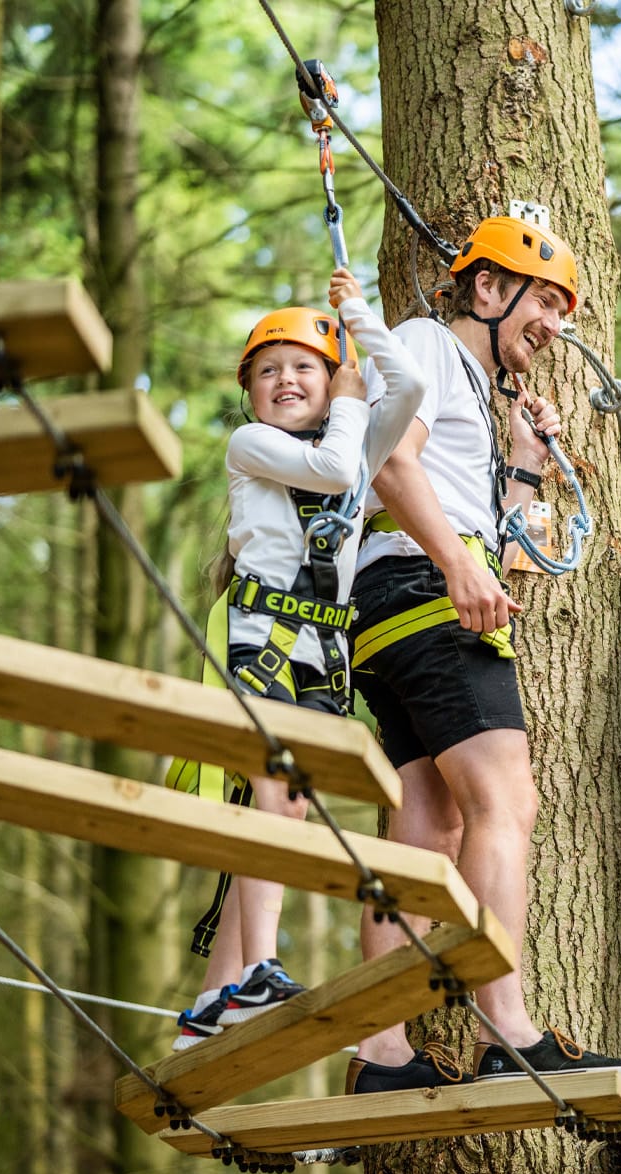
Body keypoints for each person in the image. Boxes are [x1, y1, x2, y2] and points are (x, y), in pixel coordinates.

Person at [343, 214, 621, 1092]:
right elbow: (392, 466)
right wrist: (454, 563)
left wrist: (520, 461)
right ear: (487, 288)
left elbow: (502, 550)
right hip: (422, 592)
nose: (553, 325)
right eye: (542, 300)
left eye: (561, 308)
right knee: (507, 800)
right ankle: (504, 1028)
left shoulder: (478, 386)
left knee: (427, 821)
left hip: (401, 599)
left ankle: (383, 1049)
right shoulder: (428, 345)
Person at [172, 267, 424, 1052]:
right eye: (268, 372)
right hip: (264, 635)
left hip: (324, 646)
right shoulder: (253, 446)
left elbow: (409, 387)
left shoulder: (352, 426)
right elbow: (337, 471)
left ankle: (228, 989)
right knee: (276, 789)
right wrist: (348, 398)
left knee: (285, 806)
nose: (285, 381)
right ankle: (260, 969)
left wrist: (359, 319)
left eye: (304, 368)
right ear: (248, 394)